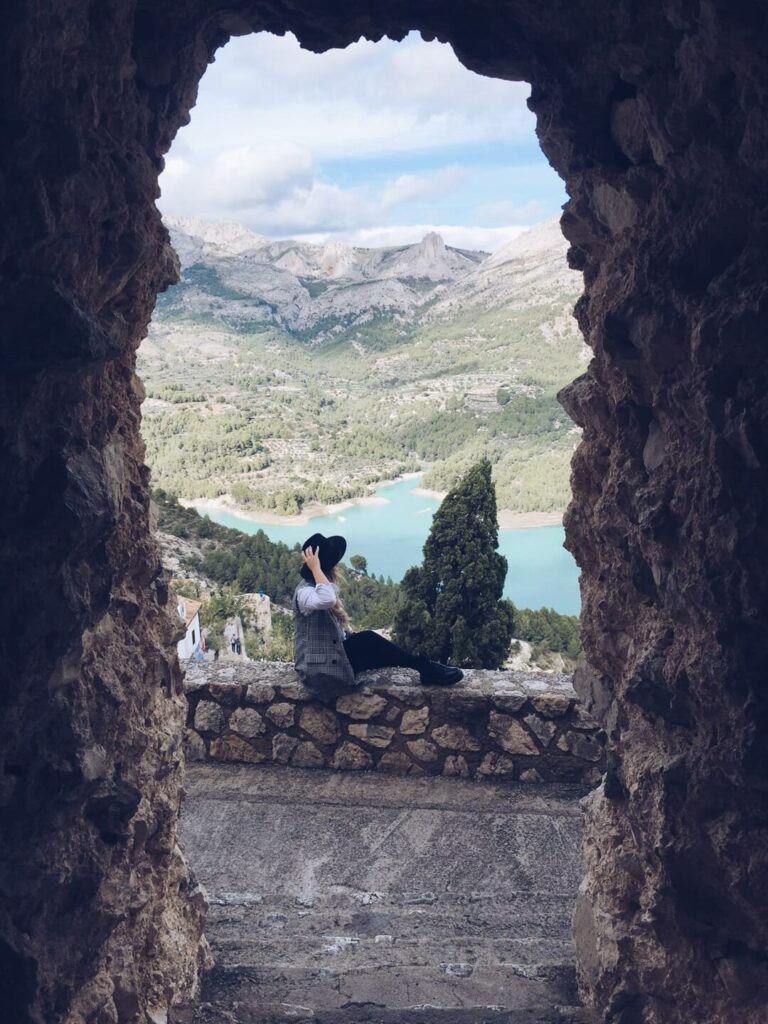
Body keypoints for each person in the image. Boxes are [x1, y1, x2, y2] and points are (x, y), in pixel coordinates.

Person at [293, 532, 463, 701]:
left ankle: (424, 666)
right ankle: (425, 667)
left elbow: (333, 625)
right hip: (317, 668)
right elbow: (327, 599)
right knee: (369, 640)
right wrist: (316, 567)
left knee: (375, 646)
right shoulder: (304, 593)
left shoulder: (319, 587)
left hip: (330, 658)